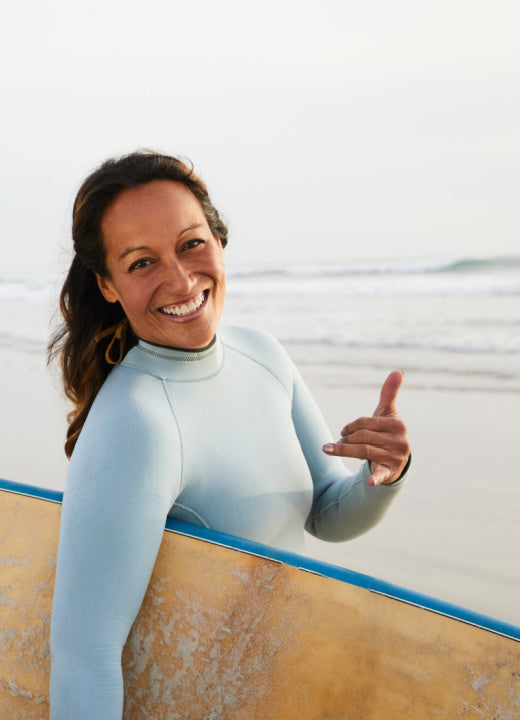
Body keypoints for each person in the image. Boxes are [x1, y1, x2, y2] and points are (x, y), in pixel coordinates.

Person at [46, 150, 411, 719]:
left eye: (192, 243)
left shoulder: (262, 355)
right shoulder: (135, 422)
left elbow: (326, 515)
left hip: (285, 693)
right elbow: (84, 654)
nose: (180, 278)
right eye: (142, 263)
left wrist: (381, 476)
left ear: (218, 241)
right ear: (108, 285)